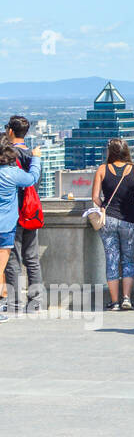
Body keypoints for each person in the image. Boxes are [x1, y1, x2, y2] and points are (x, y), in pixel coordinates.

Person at [91, 139, 134, 312]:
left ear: (110, 152)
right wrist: (133, 205)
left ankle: (114, 301)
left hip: (108, 219)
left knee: (112, 258)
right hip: (130, 218)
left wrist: (104, 205)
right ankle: (126, 298)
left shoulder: (102, 169)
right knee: (128, 259)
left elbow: (95, 197)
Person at [3, 116, 42, 314]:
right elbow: (35, 181)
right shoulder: (32, 155)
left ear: (10, 131)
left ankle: (15, 301)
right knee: (32, 258)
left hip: (13, 213)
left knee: (13, 259)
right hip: (31, 211)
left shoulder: (9, 155)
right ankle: (35, 301)